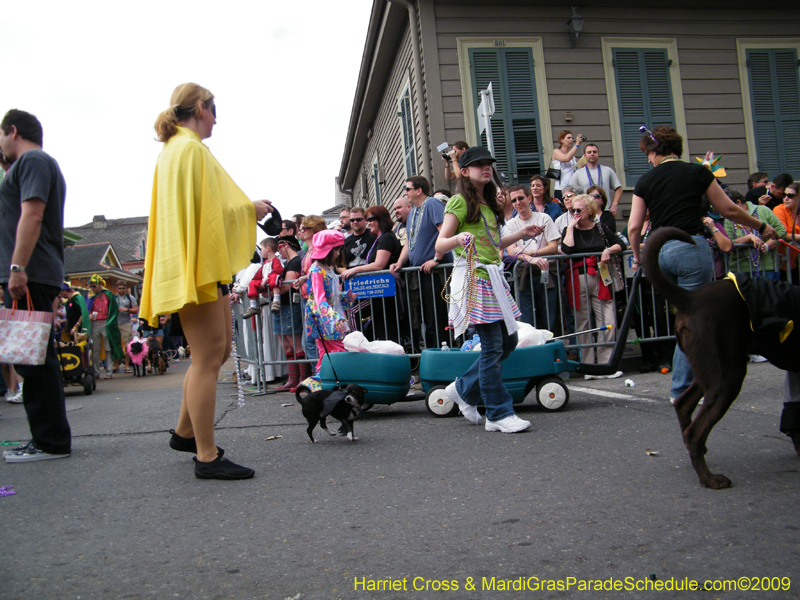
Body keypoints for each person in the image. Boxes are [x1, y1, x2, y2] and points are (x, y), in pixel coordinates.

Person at [141, 83, 273, 480]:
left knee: (215, 351)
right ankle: (206, 455)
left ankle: (186, 433)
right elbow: (215, 209)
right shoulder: (191, 149)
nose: (217, 120)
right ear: (200, 107)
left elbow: (201, 209)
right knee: (207, 357)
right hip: (196, 264)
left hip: (189, 261)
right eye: (214, 111)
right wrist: (253, 208)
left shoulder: (173, 149)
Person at [627, 125, 777, 404]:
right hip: (690, 249)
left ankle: (687, 384)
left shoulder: (645, 180)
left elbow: (634, 227)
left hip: (659, 253)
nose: (647, 159)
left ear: (655, 150)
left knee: (684, 319)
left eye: (647, 153)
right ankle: (682, 389)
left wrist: (638, 258)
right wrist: (761, 226)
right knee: (695, 322)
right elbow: (729, 209)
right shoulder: (698, 173)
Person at [435, 146, 544, 434]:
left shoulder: (489, 205)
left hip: (493, 278)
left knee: (507, 343)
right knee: (494, 345)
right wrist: (458, 238)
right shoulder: (459, 202)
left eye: (488, 164)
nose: (485, 168)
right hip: (475, 280)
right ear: (465, 171)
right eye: (478, 164)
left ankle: (462, 388)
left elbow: (494, 246)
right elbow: (440, 244)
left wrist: (521, 234)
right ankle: (497, 412)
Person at [0, 108, 72, 463]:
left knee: (33, 359)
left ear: (12, 131)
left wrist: (17, 267)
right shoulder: (28, 164)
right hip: (34, 271)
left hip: (30, 271)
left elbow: (32, 214)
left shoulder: (32, 160)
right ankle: (49, 438)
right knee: (33, 357)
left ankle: (50, 442)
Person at [561, 194, 625, 376]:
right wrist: (571, 228)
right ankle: (588, 366)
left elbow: (621, 244)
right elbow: (567, 250)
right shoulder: (570, 228)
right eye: (572, 210)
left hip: (600, 276)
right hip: (578, 279)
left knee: (608, 320)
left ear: (590, 211)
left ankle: (606, 365)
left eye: (579, 210)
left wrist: (608, 250)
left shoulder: (600, 228)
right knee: (583, 323)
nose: (575, 213)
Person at [389, 175, 452, 352]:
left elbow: (444, 232)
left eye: (408, 188)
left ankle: (442, 355)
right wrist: (399, 262)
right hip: (420, 272)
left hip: (436, 271)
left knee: (436, 317)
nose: (405, 192)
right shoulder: (413, 213)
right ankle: (432, 355)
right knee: (425, 318)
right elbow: (409, 242)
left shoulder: (432, 204)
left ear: (419, 190)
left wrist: (436, 259)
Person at [342, 205, 402, 344]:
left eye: (371, 219)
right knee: (382, 327)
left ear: (381, 220)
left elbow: (379, 264)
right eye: (367, 219)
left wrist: (355, 270)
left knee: (353, 312)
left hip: (385, 290)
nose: (369, 223)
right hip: (380, 291)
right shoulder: (380, 238)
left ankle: (358, 346)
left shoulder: (386, 237)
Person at [504, 184, 560, 329]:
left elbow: (553, 247)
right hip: (523, 274)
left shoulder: (544, 218)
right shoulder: (510, 225)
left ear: (529, 198)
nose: (518, 202)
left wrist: (528, 253)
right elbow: (511, 251)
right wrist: (531, 258)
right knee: (526, 320)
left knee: (549, 318)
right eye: (514, 200)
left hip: (546, 272)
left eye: (520, 198)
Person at [305, 230, 356, 374]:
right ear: (327, 250)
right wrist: (334, 318)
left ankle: (325, 383)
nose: (338, 253)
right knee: (334, 353)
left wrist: (344, 296)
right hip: (325, 321)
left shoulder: (327, 269)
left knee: (329, 354)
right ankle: (324, 382)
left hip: (332, 318)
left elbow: (330, 295)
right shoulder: (316, 271)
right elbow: (319, 299)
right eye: (336, 249)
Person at [273, 236, 309, 392]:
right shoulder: (286, 263)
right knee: (286, 345)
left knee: (296, 343)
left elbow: (287, 286)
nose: (278, 251)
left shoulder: (295, 262)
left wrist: (268, 292)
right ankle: (292, 379)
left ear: (286, 245)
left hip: (290, 305)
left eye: (279, 247)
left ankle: (303, 379)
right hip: (281, 305)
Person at [724, 189, 785, 280]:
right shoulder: (728, 220)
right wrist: (748, 237)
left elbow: (781, 231)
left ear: (738, 202)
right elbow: (728, 243)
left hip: (767, 267)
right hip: (741, 269)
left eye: (729, 208)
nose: (726, 212)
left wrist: (767, 245)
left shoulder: (763, 210)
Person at [569, 144, 623, 216]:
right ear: (584, 156)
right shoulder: (578, 174)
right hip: (586, 212)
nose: (592, 154)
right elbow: (572, 193)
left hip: (605, 211)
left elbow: (618, 188)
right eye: (589, 152)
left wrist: (614, 204)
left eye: (594, 152)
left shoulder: (608, 170)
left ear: (598, 154)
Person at [86, 274, 123, 379]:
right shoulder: (89, 296)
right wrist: (89, 315)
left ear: (99, 285)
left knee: (108, 347)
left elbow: (114, 309)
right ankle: (96, 371)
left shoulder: (107, 294)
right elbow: (85, 310)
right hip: (95, 323)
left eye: (94, 286)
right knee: (96, 348)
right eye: (91, 286)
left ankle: (109, 371)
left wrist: (110, 322)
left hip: (107, 322)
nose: (92, 288)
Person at [772, 181, 800, 282]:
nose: (786, 198)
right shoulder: (779, 209)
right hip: (781, 260)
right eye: (784, 195)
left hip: (795, 259)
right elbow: (783, 235)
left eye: (790, 195)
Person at [550, 130, 585, 198]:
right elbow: (566, 158)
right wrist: (577, 144)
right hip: (561, 188)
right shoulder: (556, 151)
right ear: (562, 140)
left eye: (572, 138)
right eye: (568, 138)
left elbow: (574, 171)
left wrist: (581, 167)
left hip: (572, 189)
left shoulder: (573, 157)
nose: (571, 140)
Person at [114, 281, 138, 373]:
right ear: (116, 288)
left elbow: (136, 310)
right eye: (119, 288)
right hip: (115, 323)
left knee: (127, 345)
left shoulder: (130, 298)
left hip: (126, 323)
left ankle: (127, 366)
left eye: (123, 288)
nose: (121, 290)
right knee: (115, 344)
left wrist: (127, 309)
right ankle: (116, 365)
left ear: (125, 288)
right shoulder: (113, 297)